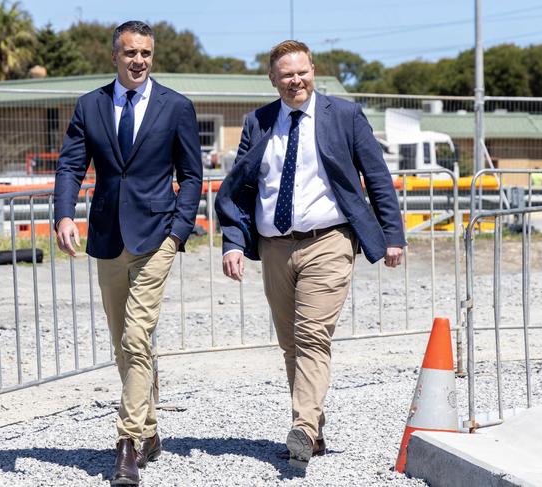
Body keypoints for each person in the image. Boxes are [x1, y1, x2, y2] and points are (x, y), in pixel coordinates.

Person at [215, 40, 405, 469]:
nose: (295, 80)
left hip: (329, 241)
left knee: (311, 337)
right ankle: (313, 433)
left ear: (313, 71)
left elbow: (376, 175)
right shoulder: (258, 122)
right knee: (290, 345)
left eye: (302, 72)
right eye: (286, 75)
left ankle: (300, 426)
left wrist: (392, 234)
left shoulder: (344, 115)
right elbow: (242, 187)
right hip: (275, 246)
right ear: (273, 79)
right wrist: (232, 242)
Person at [54, 21, 202, 485]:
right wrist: (63, 215)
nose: (139, 61)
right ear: (115, 55)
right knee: (125, 342)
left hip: (157, 237)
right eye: (130, 53)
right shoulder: (90, 105)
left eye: (146, 53)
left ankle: (127, 442)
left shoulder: (176, 106)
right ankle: (152, 429)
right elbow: (71, 165)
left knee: (137, 338)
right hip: (107, 239)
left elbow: (192, 176)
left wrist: (178, 232)